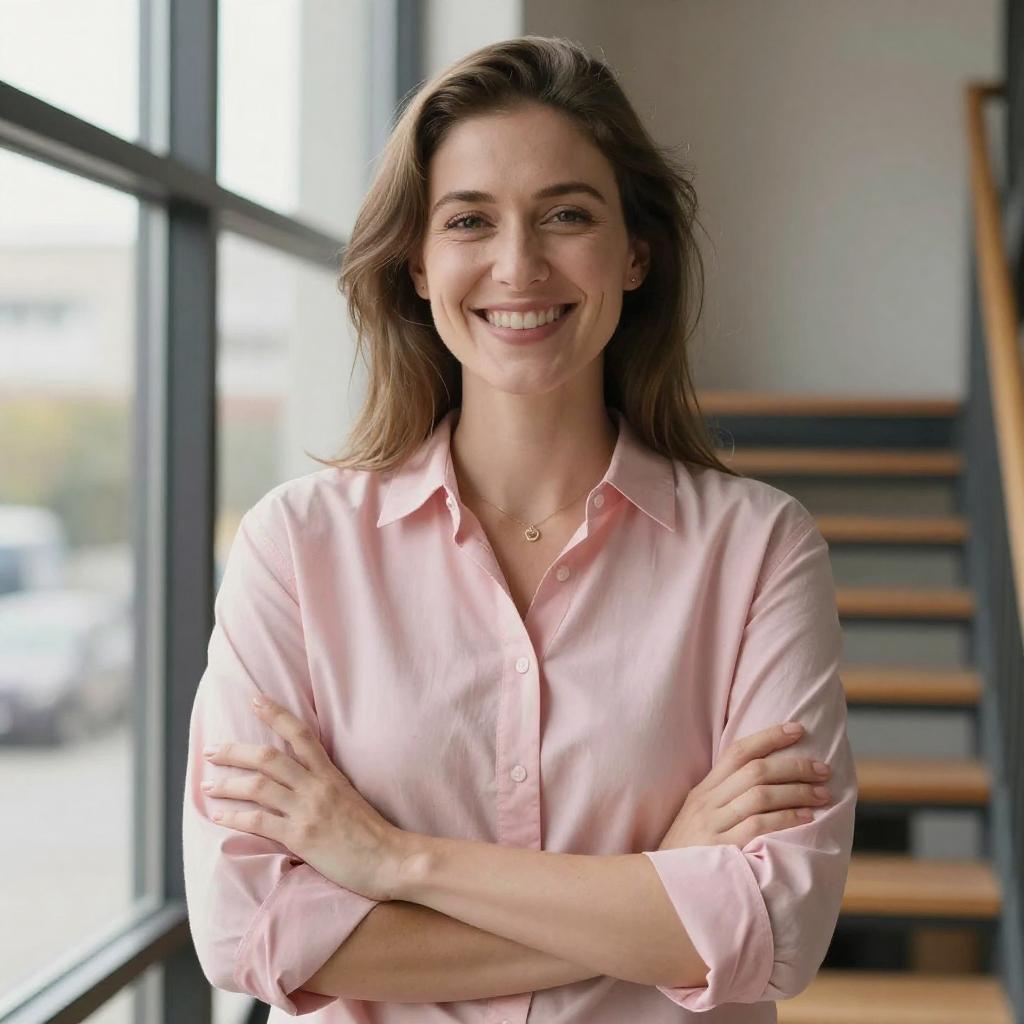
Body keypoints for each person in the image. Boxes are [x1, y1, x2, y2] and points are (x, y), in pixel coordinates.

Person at [182, 34, 856, 1024]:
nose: (517, 264)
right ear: (415, 261)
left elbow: (772, 930)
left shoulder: (758, 550)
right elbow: (249, 931)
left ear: (635, 253)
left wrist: (391, 861)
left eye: (565, 215)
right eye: (469, 220)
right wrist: (660, 883)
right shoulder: (295, 547)